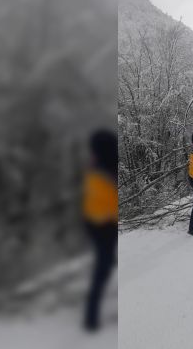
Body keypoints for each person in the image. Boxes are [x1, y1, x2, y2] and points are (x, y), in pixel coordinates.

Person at [82, 129, 118, 332]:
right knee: (101, 269)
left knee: (105, 264)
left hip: (97, 223)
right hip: (101, 226)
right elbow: (111, 206)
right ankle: (91, 316)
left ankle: (93, 311)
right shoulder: (102, 173)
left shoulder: (100, 167)